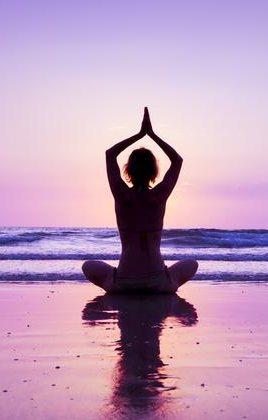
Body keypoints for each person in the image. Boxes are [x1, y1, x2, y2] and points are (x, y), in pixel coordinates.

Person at [81, 107, 198, 293]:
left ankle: (118, 281)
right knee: (192, 263)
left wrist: (139, 134)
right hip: (159, 283)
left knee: (88, 265)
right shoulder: (158, 196)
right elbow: (177, 160)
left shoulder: (121, 194)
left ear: (128, 171)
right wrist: (151, 134)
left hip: (122, 283)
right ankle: (165, 281)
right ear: (154, 172)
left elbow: (110, 154)